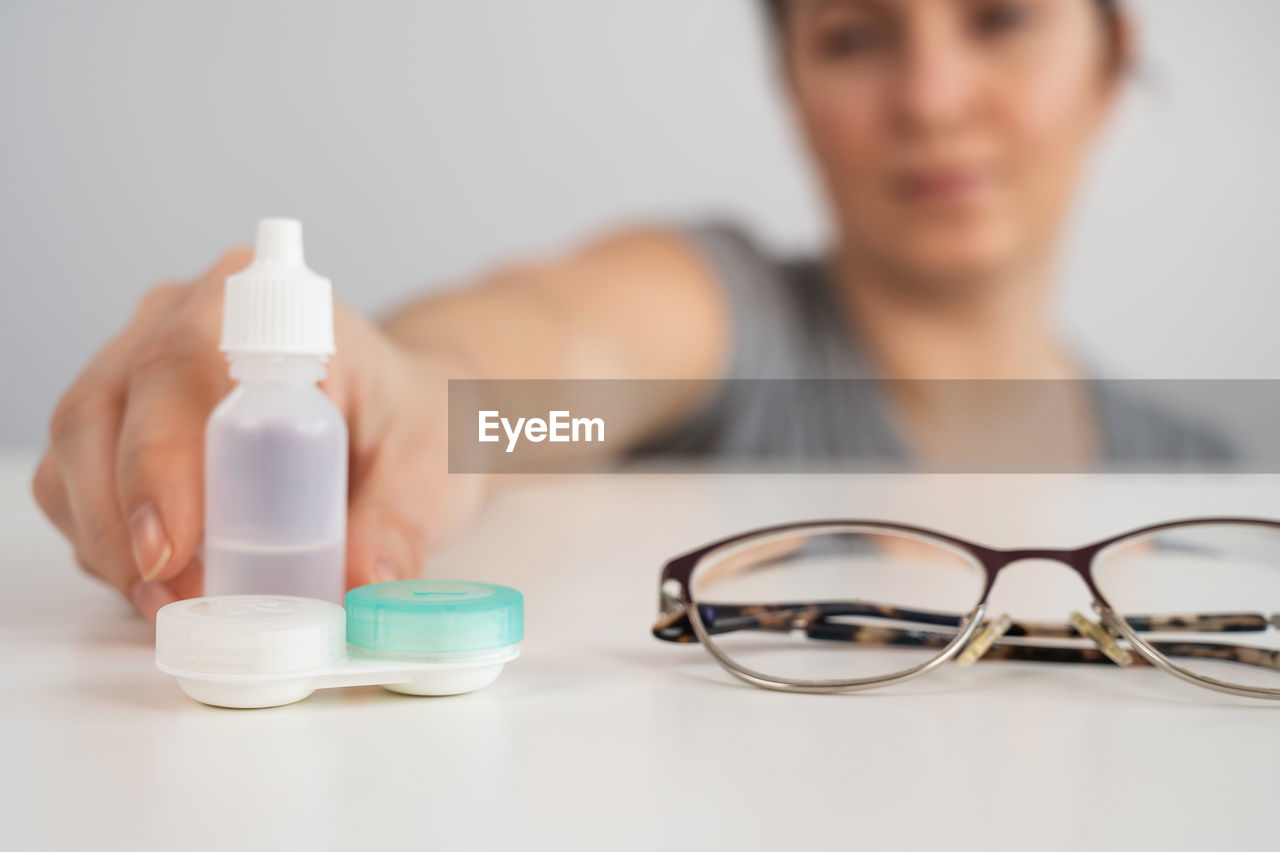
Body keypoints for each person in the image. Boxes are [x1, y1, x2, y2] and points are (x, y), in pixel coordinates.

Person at [34, 0, 1149, 619]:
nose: (930, 99)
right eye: (853, 37)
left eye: (998, 18)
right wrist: (423, 397)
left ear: (1110, 56)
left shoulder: (1184, 456)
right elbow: (550, 353)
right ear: (794, 92)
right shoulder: (729, 313)